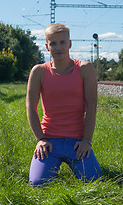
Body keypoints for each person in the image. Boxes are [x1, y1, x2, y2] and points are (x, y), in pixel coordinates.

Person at [26, 23, 102, 186]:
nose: (58, 47)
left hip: (77, 142)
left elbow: (92, 106)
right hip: (49, 142)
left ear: (70, 43)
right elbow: (31, 108)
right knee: (38, 183)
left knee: (93, 180)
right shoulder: (39, 71)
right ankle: (52, 163)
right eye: (53, 43)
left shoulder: (84, 68)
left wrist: (86, 141)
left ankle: (71, 162)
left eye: (62, 42)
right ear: (47, 46)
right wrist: (40, 139)